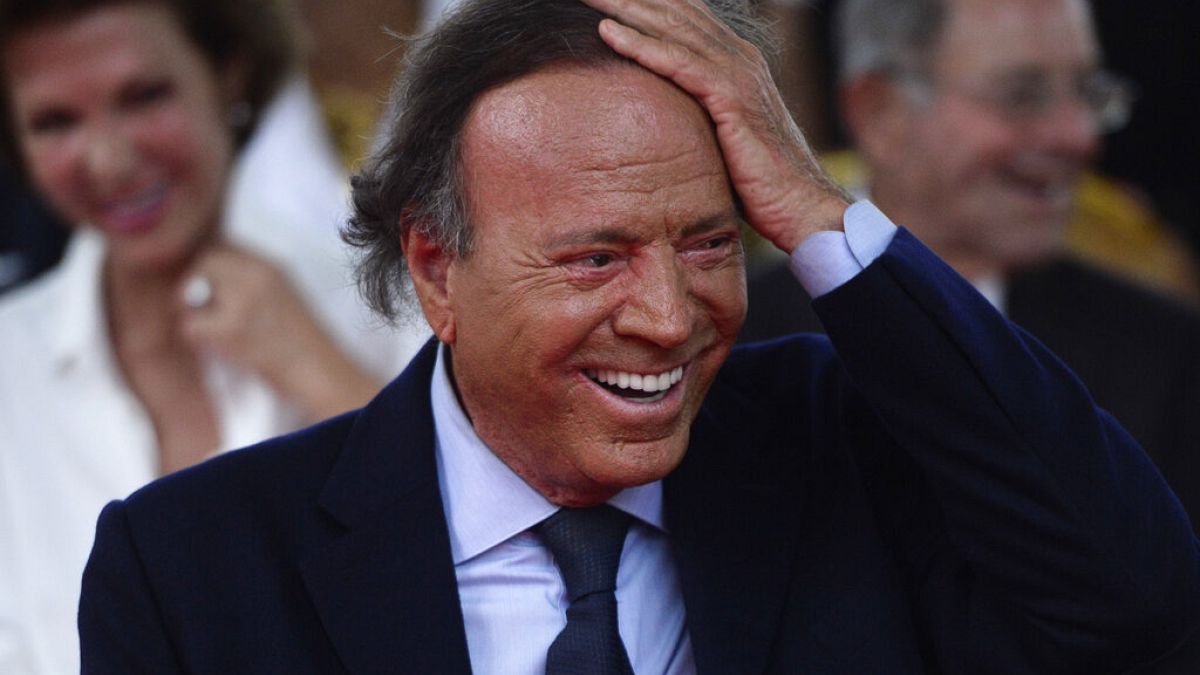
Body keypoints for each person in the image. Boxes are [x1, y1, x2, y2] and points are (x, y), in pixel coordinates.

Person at [78, 0, 1198, 672]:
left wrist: (820, 214)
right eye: (594, 258)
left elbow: (1133, 594)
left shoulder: (851, 446)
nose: (669, 317)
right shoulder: (192, 570)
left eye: (710, 244)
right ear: (435, 267)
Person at [0, 0, 425, 672]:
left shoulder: (393, 300)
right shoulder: (10, 365)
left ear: (230, 71)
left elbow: (467, 588)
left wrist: (322, 377)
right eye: (56, 122)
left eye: (144, 96)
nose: (109, 159)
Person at [740, 0, 1200, 538]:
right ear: (880, 111)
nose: (1078, 136)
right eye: (1022, 95)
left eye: (1087, 91)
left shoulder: (1167, 355)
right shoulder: (733, 343)